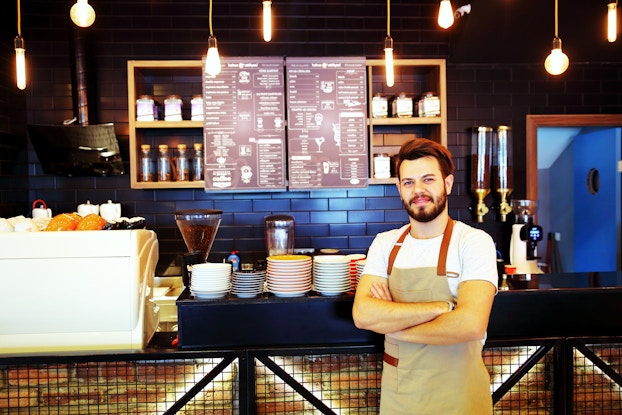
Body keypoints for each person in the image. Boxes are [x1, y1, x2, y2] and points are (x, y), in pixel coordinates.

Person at [352, 138, 498, 414]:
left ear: (448, 183)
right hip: (401, 399)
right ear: (399, 189)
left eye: (428, 179)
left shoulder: (473, 242)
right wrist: (441, 308)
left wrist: (392, 323)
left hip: (460, 399)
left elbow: (470, 325)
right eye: (408, 182)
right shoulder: (385, 244)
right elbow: (363, 314)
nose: (418, 190)